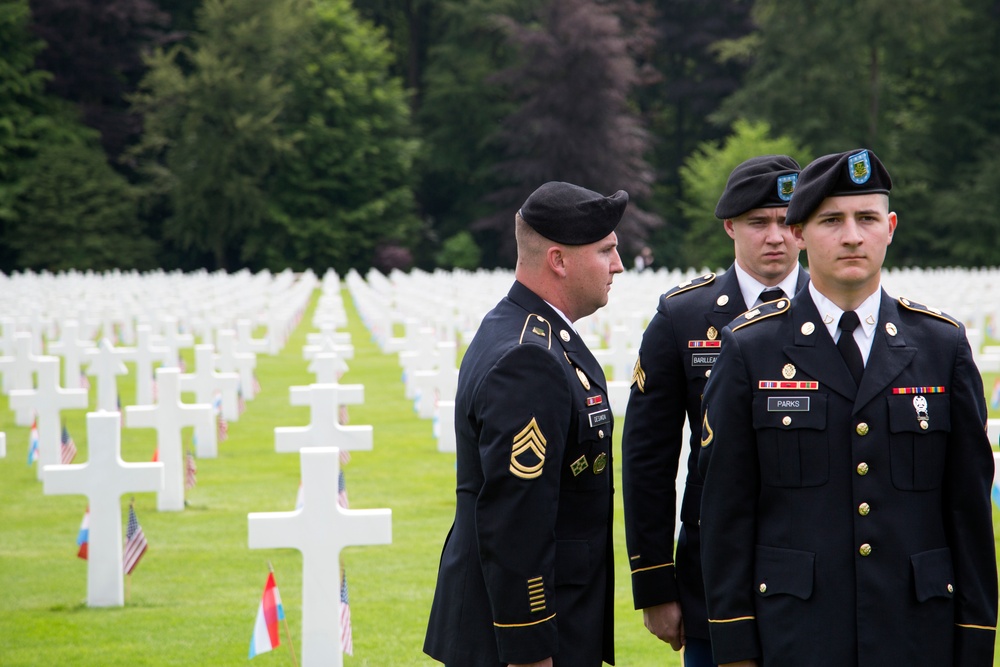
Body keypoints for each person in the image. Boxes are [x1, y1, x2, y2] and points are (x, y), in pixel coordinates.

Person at [698, 148, 998, 666]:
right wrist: (734, 647)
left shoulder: (940, 346)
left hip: (915, 633)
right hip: (795, 635)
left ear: (891, 227)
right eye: (831, 220)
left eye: (867, 218)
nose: (852, 236)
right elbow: (725, 509)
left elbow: (969, 512)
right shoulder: (751, 349)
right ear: (797, 233)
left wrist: (974, 639)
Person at [424, 181, 627, 667]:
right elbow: (517, 518)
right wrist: (529, 646)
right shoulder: (529, 358)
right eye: (606, 251)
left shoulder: (524, 329)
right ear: (559, 260)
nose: (618, 265)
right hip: (527, 638)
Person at [621, 155, 807, 667]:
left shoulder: (837, 308)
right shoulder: (683, 315)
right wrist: (655, 584)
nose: (775, 236)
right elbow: (648, 458)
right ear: (730, 226)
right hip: (713, 570)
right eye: (758, 223)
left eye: (787, 222)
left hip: (817, 571)